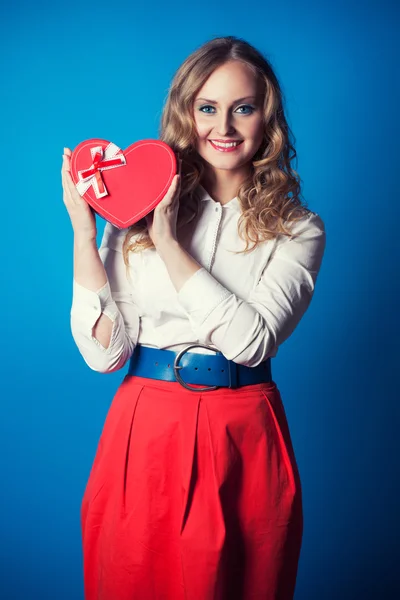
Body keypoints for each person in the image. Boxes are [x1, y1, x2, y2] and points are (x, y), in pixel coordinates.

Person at [61, 35, 326, 600]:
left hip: (244, 434)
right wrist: (87, 237)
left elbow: (250, 342)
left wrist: (169, 245)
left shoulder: (299, 229)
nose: (224, 126)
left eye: (243, 108)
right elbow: (104, 354)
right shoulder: (130, 212)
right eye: (207, 108)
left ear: (267, 118)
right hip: (145, 428)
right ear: (186, 113)